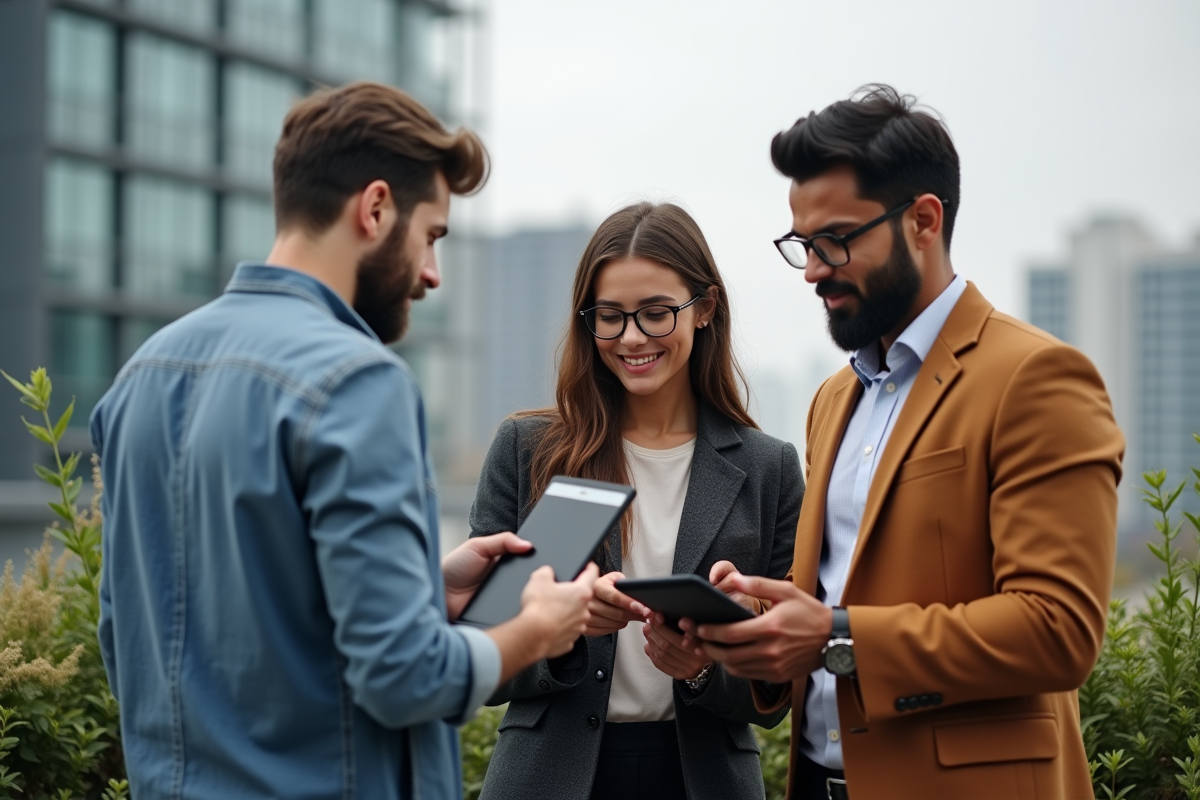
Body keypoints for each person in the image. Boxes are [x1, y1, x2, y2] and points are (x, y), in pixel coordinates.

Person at [89, 82, 597, 800]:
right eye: (432, 236)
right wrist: (533, 631)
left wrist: (425, 588)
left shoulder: (142, 374)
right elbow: (405, 678)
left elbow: (133, 641)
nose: (430, 274)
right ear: (376, 207)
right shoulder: (356, 382)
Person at [692, 85, 1124, 800]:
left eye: (834, 240)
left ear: (924, 220)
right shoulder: (834, 399)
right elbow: (831, 604)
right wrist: (741, 636)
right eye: (802, 244)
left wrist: (834, 634)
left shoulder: (1037, 377)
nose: (812, 270)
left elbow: (1059, 629)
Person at [469, 202, 803, 800]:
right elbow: (477, 650)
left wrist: (703, 663)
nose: (631, 338)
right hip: (548, 778)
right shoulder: (528, 449)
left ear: (704, 309)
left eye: (655, 314)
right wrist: (562, 635)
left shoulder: (767, 467)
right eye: (610, 317)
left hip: (704, 779)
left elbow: (780, 686)